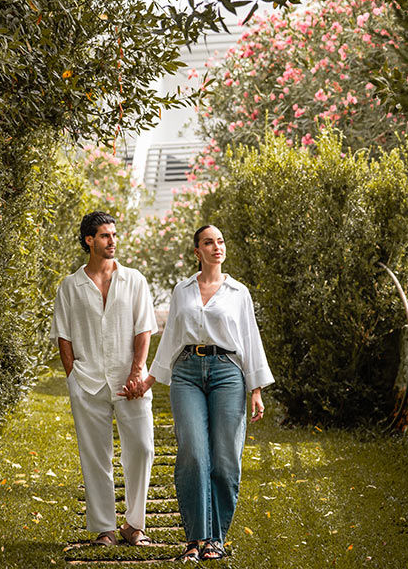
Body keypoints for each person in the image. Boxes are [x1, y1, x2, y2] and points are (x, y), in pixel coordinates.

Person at [123, 225, 273, 562]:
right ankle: (194, 539)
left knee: (225, 459)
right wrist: (147, 380)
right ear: (197, 252)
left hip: (227, 373)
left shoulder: (238, 292)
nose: (217, 247)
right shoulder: (183, 290)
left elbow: (250, 338)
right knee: (192, 453)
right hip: (187, 373)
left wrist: (256, 389)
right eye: (209, 242)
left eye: (220, 241)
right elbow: (172, 338)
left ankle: (215, 539)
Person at [51, 211, 157, 547]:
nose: (112, 241)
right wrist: (73, 377)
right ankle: (105, 528)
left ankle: (134, 524)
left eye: (114, 234)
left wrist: (137, 371)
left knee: (142, 449)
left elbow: (144, 329)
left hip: (130, 384)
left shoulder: (134, 280)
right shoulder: (70, 286)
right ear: (89, 240)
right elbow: (63, 336)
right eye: (105, 236)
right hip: (88, 381)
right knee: (95, 455)